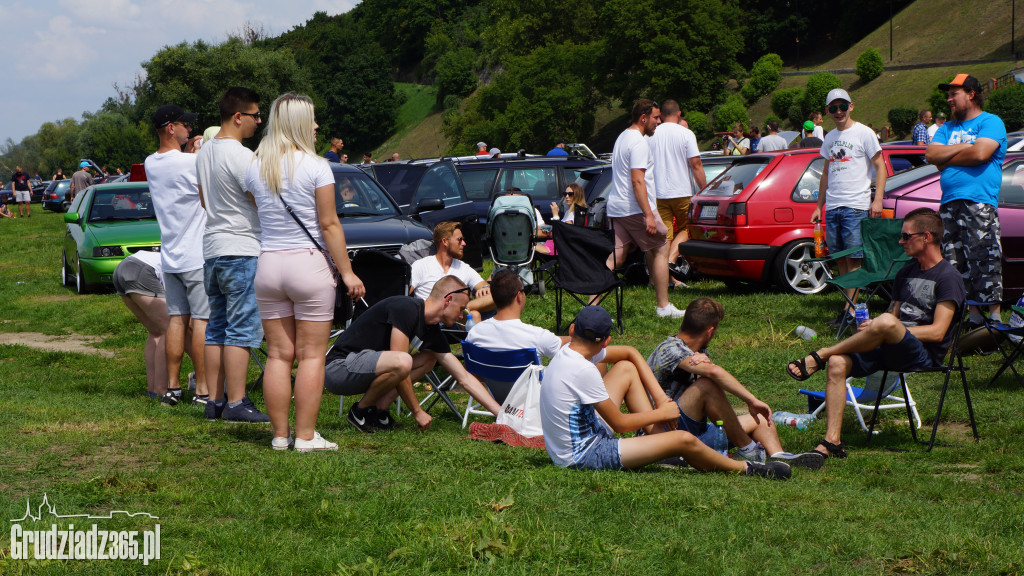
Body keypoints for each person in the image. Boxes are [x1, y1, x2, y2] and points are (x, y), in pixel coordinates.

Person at [787, 208, 965, 458]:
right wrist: (876, 325)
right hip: (890, 347)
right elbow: (892, 317)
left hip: (922, 354)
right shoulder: (905, 272)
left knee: (884, 324)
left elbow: (938, 333)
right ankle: (832, 442)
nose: (900, 242)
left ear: (926, 237)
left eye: (905, 236)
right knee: (839, 363)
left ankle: (821, 353)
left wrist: (887, 326)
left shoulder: (948, 277)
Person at [539, 306, 790, 479]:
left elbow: (629, 353)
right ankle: (745, 468)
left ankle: (660, 444)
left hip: (576, 439)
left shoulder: (567, 352)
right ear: (606, 341)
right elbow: (620, 423)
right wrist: (662, 412)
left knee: (626, 368)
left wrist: (660, 397)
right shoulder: (584, 369)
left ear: (572, 330)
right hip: (584, 455)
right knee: (684, 439)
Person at [245, 93, 364, 451]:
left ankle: (280, 436)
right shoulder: (316, 167)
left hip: (268, 265)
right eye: (311, 120)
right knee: (312, 355)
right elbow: (329, 224)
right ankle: (306, 436)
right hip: (308, 264)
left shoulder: (256, 165)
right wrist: (347, 273)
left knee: (279, 354)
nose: (315, 127)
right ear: (298, 123)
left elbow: (257, 209)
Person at [648, 298, 825, 469]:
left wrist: (706, 362)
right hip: (665, 435)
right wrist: (751, 400)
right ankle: (749, 452)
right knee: (707, 387)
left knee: (760, 418)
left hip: (695, 431)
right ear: (710, 331)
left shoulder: (698, 351)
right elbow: (714, 373)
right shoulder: (670, 348)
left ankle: (779, 457)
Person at [325, 275, 502, 433]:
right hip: (338, 369)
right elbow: (399, 361)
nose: (461, 317)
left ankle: (379, 412)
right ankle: (361, 411)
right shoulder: (406, 308)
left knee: (428, 358)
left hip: (362, 368)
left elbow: (464, 377)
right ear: (448, 300)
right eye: (461, 308)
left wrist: (500, 414)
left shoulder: (432, 331)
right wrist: (417, 411)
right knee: (403, 360)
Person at [195, 86, 269, 422]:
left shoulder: (205, 152)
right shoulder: (242, 156)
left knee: (217, 326)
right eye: (255, 115)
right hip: (241, 247)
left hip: (212, 248)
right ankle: (238, 402)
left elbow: (202, 200)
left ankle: (216, 400)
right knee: (241, 326)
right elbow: (261, 201)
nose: (259, 121)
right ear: (238, 116)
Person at [926, 74, 1008, 327]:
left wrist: (946, 158)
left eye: (954, 94)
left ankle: (994, 319)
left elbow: (982, 153)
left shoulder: (991, 122)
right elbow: (930, 154)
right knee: (954, 260)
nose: (949, 99)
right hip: (950, 203)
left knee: (984, 258)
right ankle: (972, 317)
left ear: (971, 94)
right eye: (948, 95)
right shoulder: (946, 128)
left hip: (979, 202)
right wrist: (967, 148)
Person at [144, 104, 209, 407]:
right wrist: (200, 153)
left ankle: (172, 387)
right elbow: (206, 192)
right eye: (185, 125)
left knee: (176, 321)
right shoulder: (189, 163)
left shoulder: (150, 163)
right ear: (171, 128)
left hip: (170, 255)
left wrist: (192, 153)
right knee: (201, 320)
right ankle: (203, 387)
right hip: (196, 254)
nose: (189, 129)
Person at [813, 88, 886, 329]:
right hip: (833, 207)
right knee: (841, 261)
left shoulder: (864, 133)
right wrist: (819, 206)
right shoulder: (830, 137)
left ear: (851, 106)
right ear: (827, 112)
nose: (838, 112)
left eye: (842, 106)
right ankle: (849, 309)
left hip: (856, 206)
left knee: (854, 261)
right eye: (833, 108)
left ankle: (852, 312)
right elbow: (826, 173)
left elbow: (880, 166)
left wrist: (877, 200)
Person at [607, 99, 685, 318]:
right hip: (634, 208)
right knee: (660, 248)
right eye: (656, 117)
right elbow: (637, 181)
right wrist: (649, 215)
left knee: (616, 257)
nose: (658, 122)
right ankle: (663, 307)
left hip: (617, 207)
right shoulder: (639, 143)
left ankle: (592, 306)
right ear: (643, 118)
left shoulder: (622, 137)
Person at [649, 99, 705, 272]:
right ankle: (671, 261)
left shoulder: (651, 134)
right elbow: (695, 164)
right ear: (679, 113)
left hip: (658, 193)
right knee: (688, 228)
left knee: (665, 236)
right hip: (682, 192)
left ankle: (665, 273)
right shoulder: (686, 134)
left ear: (662, 115)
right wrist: (704, 190)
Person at [410, 221, 494, 323]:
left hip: (456, 319)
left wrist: (485, 288)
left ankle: (461, 309)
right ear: (445, 241)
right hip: (429, 319)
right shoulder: (422, 265)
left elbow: (492, 294)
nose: (464, 243)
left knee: (476, 313)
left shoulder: (463, 268)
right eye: (459, 240)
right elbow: (405, 295)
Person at [113, 251, 169, 400]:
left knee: (156, 331)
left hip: (122, 268)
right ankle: (162, 391)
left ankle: (152, 390)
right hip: (141, 270)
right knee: (169, 330)